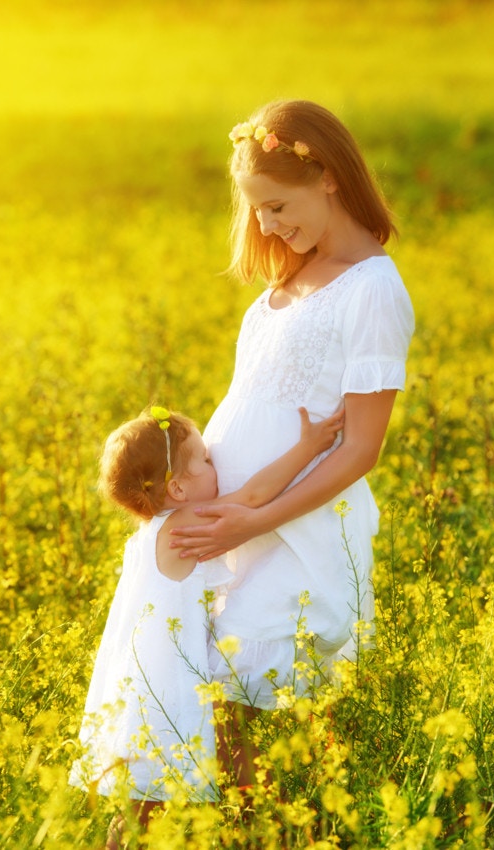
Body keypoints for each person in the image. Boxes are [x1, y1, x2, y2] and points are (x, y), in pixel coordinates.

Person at [170, 100, 416, 791]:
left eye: (277, 206)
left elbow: (360, 448)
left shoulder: (371, 288)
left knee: (230, 698)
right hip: (236, 528)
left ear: (330, 177)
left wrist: (253, 520)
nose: (269, 226)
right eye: (258, 214)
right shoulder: (290, 275)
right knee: (201, 705)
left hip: (293, 535)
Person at [69, 403, 344, 846]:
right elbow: (254, 497)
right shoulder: (183, 526)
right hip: (169, 688)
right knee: (158, 804)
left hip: (139, 685)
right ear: (177, 488)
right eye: (206, 460)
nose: (216, 463)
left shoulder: (148, 535)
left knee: (145, 808)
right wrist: (309, 447)